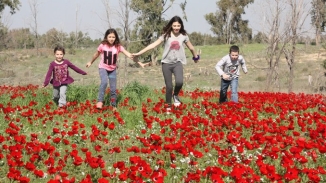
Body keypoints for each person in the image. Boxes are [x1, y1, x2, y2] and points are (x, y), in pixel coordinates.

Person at [132, 15, 200, 113]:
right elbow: (153, 45)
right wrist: (139, 53)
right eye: (174, 26)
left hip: (177, 63)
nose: (176, 28)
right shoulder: (166, 35)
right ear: (171, 26)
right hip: (166, 64)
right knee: (169, 86)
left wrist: (196, 57)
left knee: (180, 82)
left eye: (178, 26)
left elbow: (192, 48)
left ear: (181, 26)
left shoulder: (184, 36)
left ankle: (175, 95)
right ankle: (168, 107)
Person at [86, 28, 144, 110]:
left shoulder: (118, 47)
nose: (111, 39)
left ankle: (113, 105)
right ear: (106, 37)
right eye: (109, 37)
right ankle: (100, 101)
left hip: (112, 70)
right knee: (104, 82)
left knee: (113, 88)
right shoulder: (102, 45)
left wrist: (139, 63)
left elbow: (129, 55)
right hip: (103, 68)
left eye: (113, 37)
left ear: (116, 37)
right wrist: (90, 62)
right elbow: (96, 55)